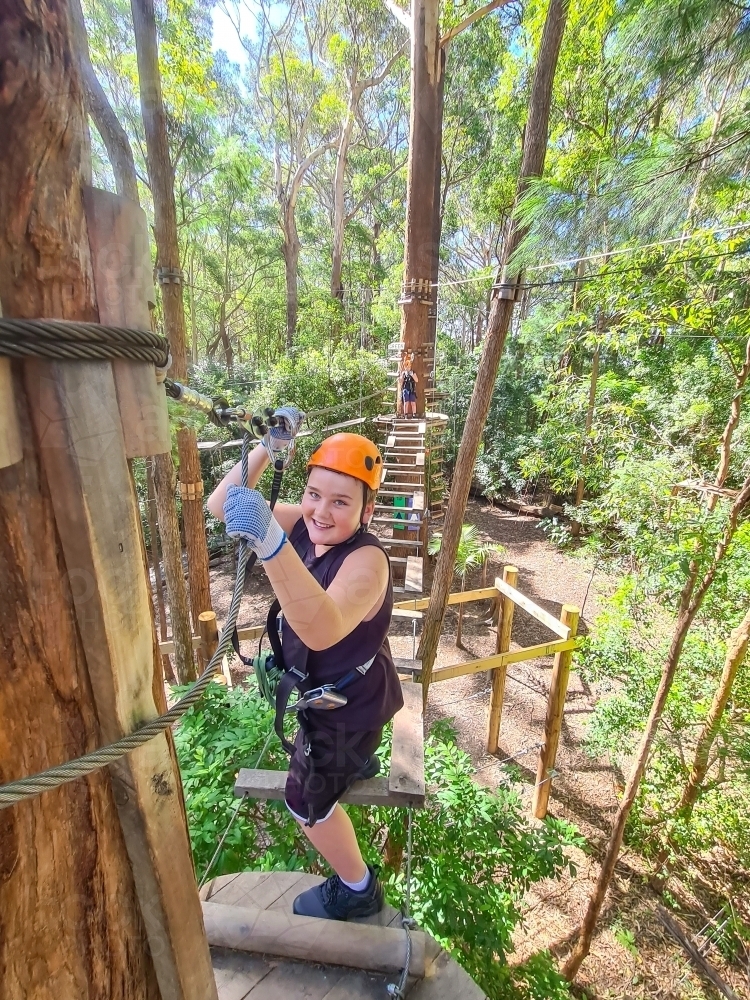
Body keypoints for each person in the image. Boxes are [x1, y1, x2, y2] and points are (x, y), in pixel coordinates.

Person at [207, 424, 403, 921]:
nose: (320, 511)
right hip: (332, 694)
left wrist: (270, 542)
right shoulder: (304, 528)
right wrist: (266, 451)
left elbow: (321, 628)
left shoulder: (366, 562)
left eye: (341, 502)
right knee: (335, 762)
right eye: (314, 494)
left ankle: (358, 887)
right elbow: (221, 504)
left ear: (368, 511)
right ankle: (355, 763)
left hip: (347, 708)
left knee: (303, 802)